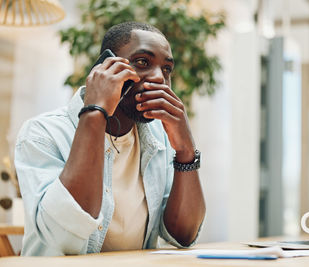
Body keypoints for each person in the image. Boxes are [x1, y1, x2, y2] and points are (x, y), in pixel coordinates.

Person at [14, 21, 205, 256]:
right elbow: (62, 238)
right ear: (105, 68)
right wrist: (96, 110)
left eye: (166, 69)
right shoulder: (43, 133)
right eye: (143, 62)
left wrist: (186, 151)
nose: (158, 78)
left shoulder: (159, 138)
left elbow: (183, 235)